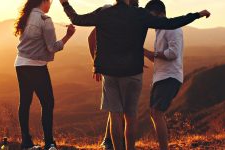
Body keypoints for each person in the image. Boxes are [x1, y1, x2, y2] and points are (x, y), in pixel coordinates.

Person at [60, 0, 210, 149]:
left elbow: (77, 19)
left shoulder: (104, 13)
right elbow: (171, 23)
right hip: (133, 72)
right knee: (130, 117)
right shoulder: (140, 14)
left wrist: (65, 3)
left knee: (115, 115)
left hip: (110, 73)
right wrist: (197, 15)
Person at [14, 0, 76, 149]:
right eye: (50, 2)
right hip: (36, 66)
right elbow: (52, 47)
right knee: (48, 103)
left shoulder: (27, 16)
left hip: (20, 63)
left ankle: (26, 143)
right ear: (44, 2)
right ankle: (49, 143)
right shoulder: (45, 20)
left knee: (25, 103)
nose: (50, 5)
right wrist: (68, 35)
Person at [87, 0, 139, 149]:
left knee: (117, 108)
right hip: (110, 68)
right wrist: (96, 65)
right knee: (117, 109)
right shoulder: (109, 12)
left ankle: (109, 140)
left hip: (119, 68)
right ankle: (109, 141)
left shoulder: (124, 17)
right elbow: (91, 38)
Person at [143, 1, 186, 149]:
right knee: (155, 112)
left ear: (159, 13)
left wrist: (152, 54)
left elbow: (173, 53)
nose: (149, 20)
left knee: (157, 112)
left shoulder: (172, 28)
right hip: (161, 77)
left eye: (150, 16)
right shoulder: (160, 30)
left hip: (170, 77)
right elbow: (160, 55)